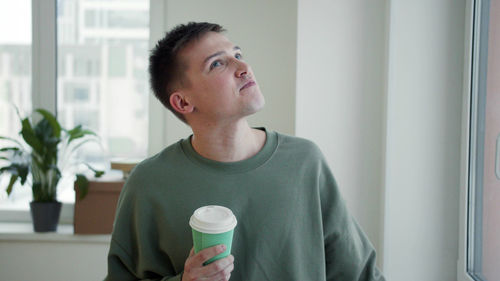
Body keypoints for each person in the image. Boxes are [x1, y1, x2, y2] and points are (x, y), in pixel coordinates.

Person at [105, 22, 385, 281]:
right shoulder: (149, 183)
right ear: (182, 102)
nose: (243, 66)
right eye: (217, 64)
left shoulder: (304, 162)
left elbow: (360, 273)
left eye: (237, 53)